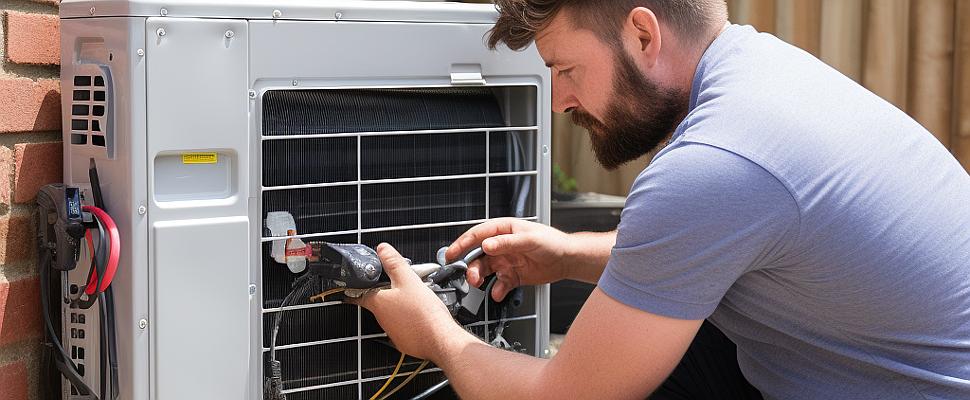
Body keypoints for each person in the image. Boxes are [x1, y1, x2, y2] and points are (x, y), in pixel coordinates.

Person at [353, 1, 970, 399]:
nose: (559, 101)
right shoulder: (761, 72)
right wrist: (570, 253)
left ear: (643, 34)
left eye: (565, 69)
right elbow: (737, 245)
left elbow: (562, 398)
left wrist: (434, 335)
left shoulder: (716, 161)